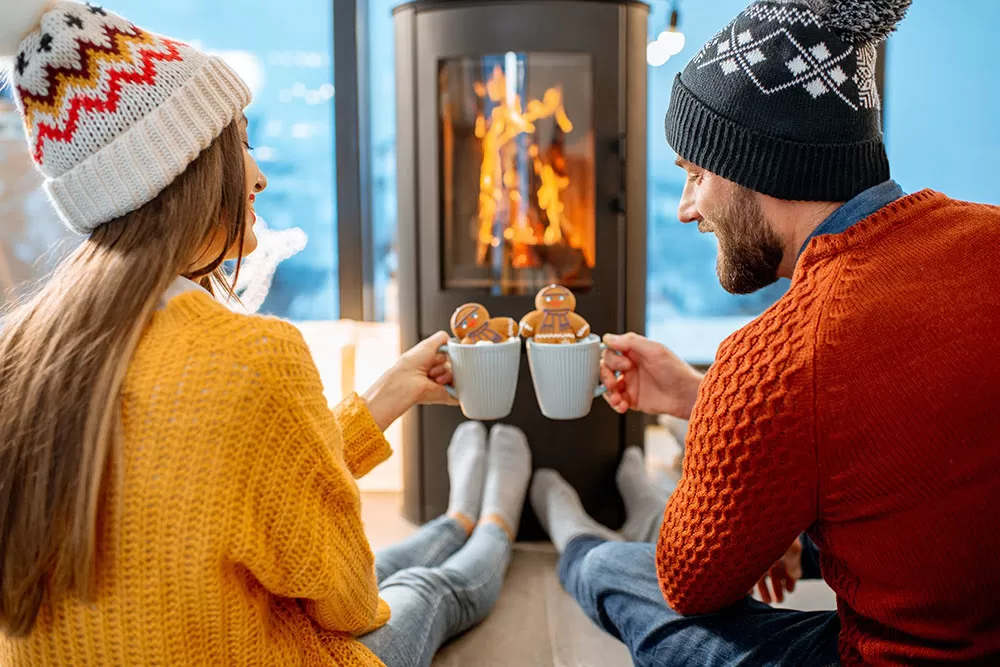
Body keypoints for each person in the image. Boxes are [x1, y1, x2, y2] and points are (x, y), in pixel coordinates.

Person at [0, 3, 531, 666]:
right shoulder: (251, 357)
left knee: (394, 559)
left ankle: (456, 518)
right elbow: (350, 600)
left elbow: (221, 487)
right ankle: (486, 519)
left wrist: (382, 398)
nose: (259, 174)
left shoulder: (18, 354)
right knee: (422, 585)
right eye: (241, 143)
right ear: (185, 169)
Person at [530, 0, 1000, 665]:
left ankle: (573, 534)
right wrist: (701, 397)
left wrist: (729, 415)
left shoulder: (781, 356)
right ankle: (630, 499)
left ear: (759, 164)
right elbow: (893, 427)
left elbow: (690, 582)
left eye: (695, 174)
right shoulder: (989, 235)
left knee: (625, 572)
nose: (687, 208)